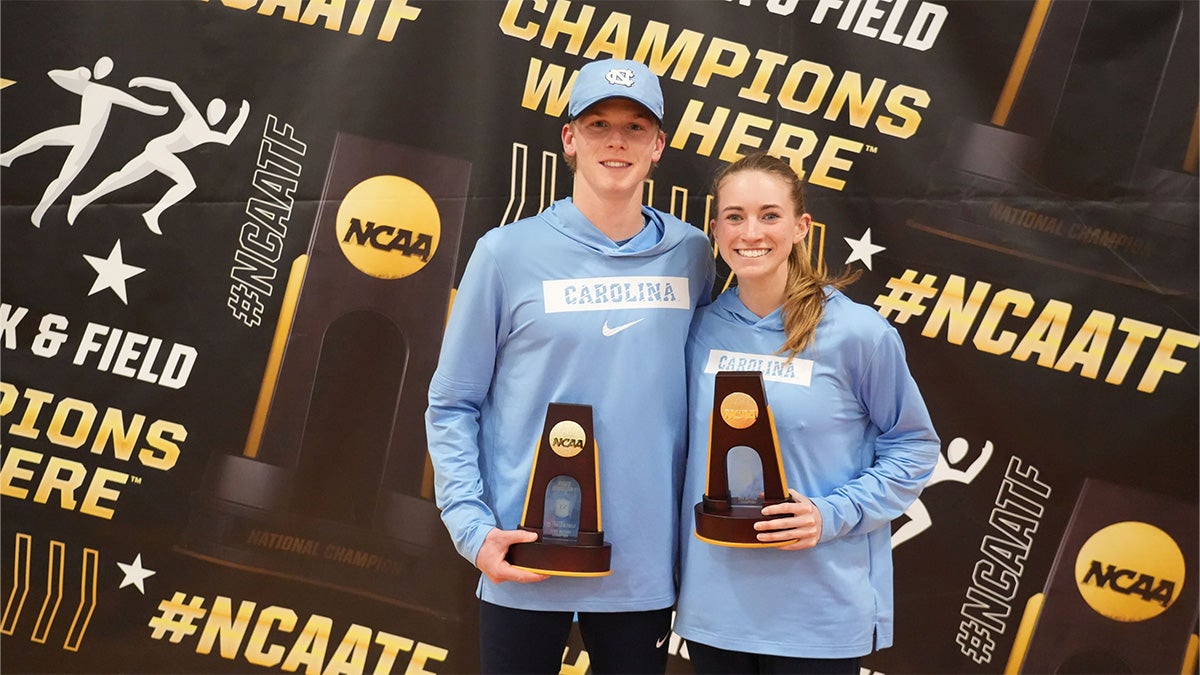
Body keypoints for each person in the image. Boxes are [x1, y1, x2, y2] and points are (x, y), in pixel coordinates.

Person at [425, 57, 715, 674]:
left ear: (659, 145)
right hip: (525, 556)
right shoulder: (505, 253)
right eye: (598, 123)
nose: (617, 140)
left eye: (636, 126)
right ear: (569, 139)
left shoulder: (692, 254)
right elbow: (452, 403)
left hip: (641, 568)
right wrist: (471, 529)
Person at [673, 152, 939, 674]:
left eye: (770, 215)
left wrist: (828, 514)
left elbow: (913, 447)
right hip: (714, 612)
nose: (751, 232)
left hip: (817, 618)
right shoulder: (694, 331)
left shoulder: (858, 334)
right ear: (715, 228)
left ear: (801, 227)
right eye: (735, 216)